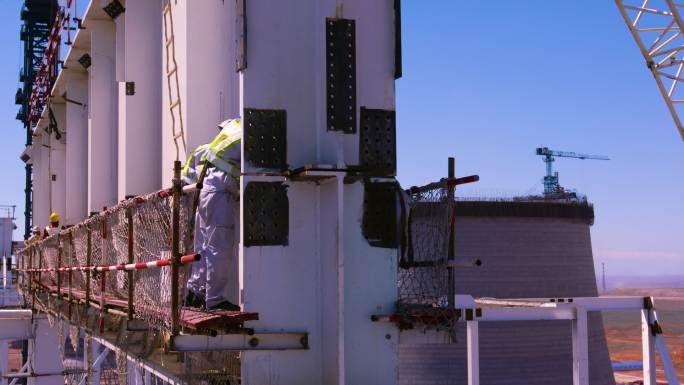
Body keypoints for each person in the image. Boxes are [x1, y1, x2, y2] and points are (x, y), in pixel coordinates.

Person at [182, 118, 241, 311]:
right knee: (219, 247)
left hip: (206, 192)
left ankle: (195, 294)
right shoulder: (246, 131)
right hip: (219, 192)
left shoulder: (211, 146)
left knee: (203, 247)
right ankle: (214, 300)